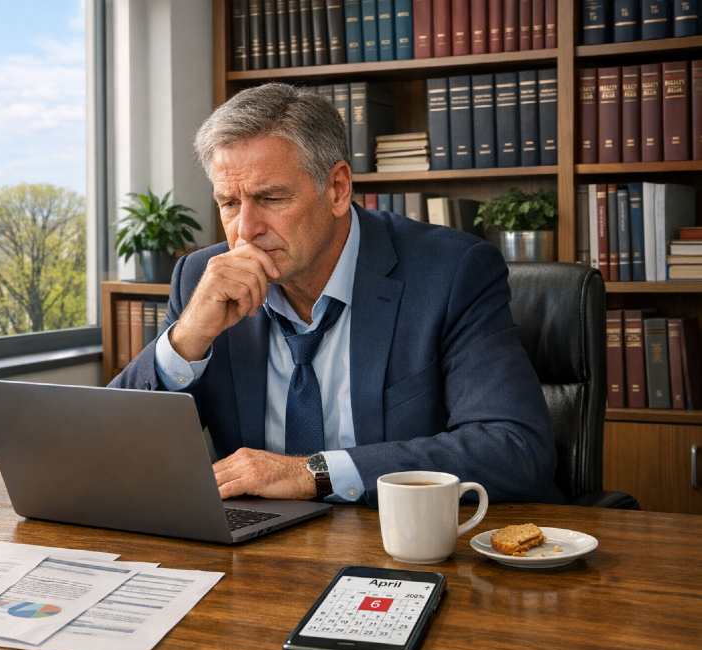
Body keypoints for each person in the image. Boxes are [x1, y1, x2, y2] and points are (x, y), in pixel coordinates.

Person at [110, 82, 562, 508]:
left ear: (338, 189)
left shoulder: (451, 273)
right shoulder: (200, 279)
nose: (245, 230)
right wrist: (186, 338)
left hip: (397, 546)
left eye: (270, 198)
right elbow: (108, 449)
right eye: (229, 203)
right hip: (256, 556)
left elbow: (514, 449)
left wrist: (314, 473)